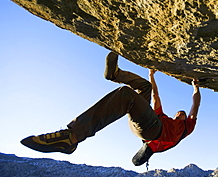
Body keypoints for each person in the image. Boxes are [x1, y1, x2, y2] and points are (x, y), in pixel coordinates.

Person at [21, 52, 201, 166]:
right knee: (145, 88)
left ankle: (72, 136)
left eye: (181, 114)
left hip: (154, 131)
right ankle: (116, 74)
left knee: (127, 95)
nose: (179, 113)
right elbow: (155, 96)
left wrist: (196, 89)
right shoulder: (163, 116)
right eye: (179, 112)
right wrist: (151, 75)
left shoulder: (187, 127)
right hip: (147, 123)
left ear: (184, 118)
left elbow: (195, 105)